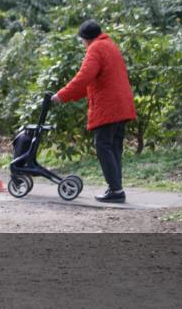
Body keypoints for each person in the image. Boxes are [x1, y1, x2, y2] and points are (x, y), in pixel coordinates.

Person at [52, 19, 137, 203]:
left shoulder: (95, 48)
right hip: (121, 104)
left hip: (109, 106)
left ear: (86, 39)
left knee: (103, 146)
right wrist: (67, 95)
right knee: (113, 147)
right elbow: (92, 82)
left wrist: (61, 95)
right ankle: (116, 188)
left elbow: (84, 76)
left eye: (82, 41)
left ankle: (115, 190)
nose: (82, 44)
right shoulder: (109, 45)